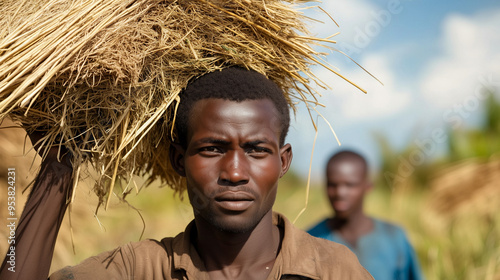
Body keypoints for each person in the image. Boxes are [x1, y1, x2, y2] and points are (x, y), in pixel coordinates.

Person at [1, 68, 374, 280]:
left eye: (257, 150)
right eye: (212, 149)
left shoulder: (333, 270)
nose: (234, 171)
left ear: (284, 161)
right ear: (179, 160)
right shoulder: (140, 269)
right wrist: (58, 167)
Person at [307, 150, 424, 280]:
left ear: (367, 186)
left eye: (350, 185)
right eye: (332, 185)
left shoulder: (394, 238)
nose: (340, 193)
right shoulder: (310, 241)